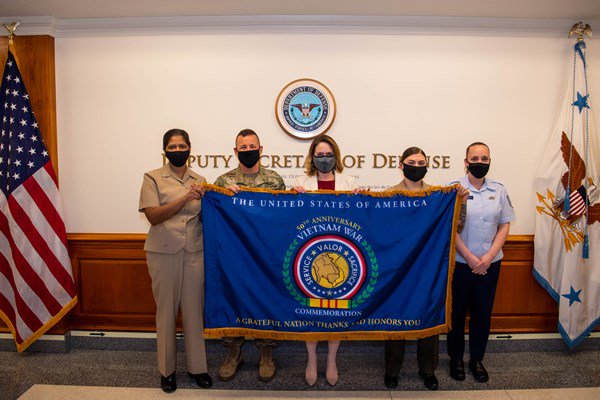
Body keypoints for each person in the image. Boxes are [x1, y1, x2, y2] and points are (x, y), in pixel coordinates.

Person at [383, 147, 468, 391]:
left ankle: (428, 370)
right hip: (398, 271)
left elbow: (457, 226)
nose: (417, 166)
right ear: (401, 165)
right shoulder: (389, 196)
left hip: (428, 268)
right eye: (412, 162)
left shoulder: (437, 196)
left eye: (421, 162)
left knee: (429, 315)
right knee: (395, 319)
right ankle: (392, 370)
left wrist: (460, 202)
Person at [139, 128, 212, 393]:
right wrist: (184, 198)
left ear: (190, 148)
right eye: (173, 147)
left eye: (183, 147)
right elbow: (153, 216)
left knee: (194, 312)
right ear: (165, 151)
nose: (178, 151)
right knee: (167, 313)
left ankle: (198, 368)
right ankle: (166, 371)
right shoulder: (153, 178)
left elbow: (208, 216)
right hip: (163, 253)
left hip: (194, 252)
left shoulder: (200, 179)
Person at [214, 128, 285, 383]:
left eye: (252, 146)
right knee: (233, 299)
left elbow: (282, 218)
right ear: (235, 152)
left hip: (265, 256)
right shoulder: (223, 182)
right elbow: (216, 217)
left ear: (261, 149)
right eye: (242, 148)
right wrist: (224, 197)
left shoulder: (275, 180)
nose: (248, 151)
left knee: (265, 301)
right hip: (235, 256)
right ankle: (233, 352)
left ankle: (266, 352)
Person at [292, 134, 360, 387]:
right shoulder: (300, 182)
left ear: (336, 156)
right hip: (310, 254)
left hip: (340, 254)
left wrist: (361, 199)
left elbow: (361, 218)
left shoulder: (350, 182)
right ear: (312, 157)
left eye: (328, 154)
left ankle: (331, 359)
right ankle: (311, 359)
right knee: (312, 309)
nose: (324, 159)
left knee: (336, 308)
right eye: (319, 155)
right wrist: (293, 197)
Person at [447, 142, 515, 383]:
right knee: (456, 315)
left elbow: (505, 224)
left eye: (484, 158)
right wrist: (470, 257)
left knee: (482, 314)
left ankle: (476, 359)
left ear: (489, 161)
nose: (479, 162)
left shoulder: (499, 189)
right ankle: (455, 359)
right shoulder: (453, 189)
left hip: (490, 264)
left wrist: (487, 257)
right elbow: (449, 228)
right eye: (474, 158)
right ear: (465, 162)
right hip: (461, 263)